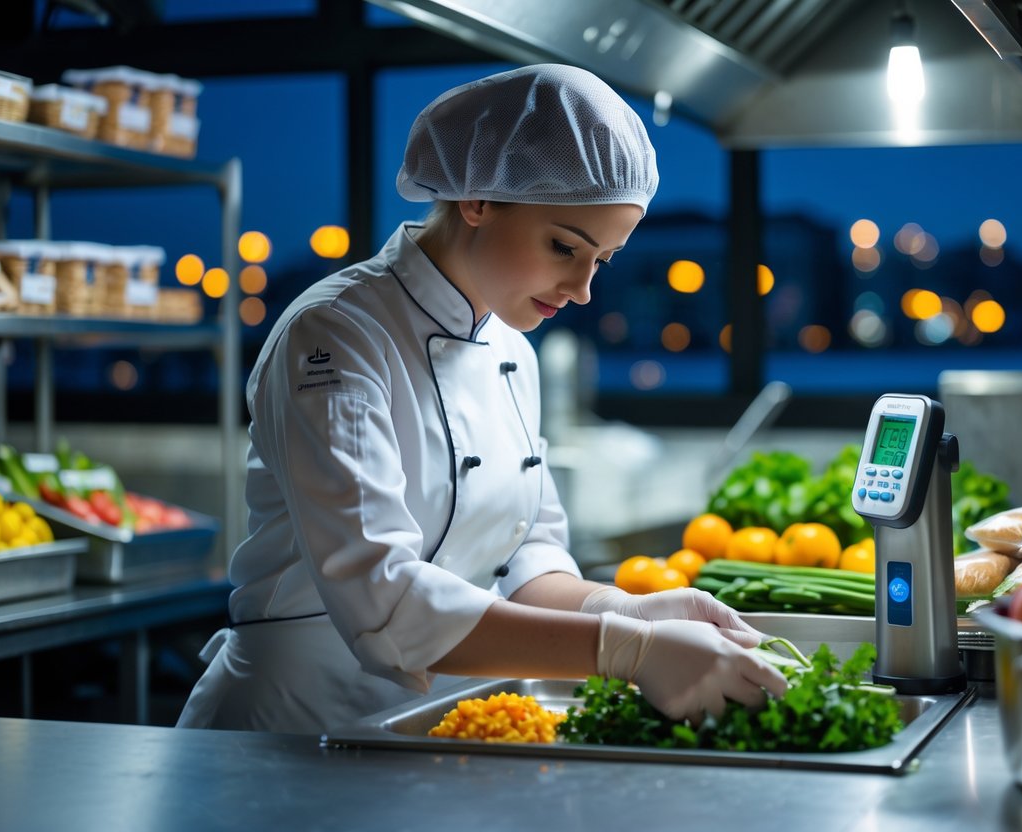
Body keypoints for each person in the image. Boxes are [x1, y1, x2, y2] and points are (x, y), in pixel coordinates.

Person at [177, 64, 786, 734]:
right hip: (290, 729)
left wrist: (624, 610)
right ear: (477, 200)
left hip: (433, 720)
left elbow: (526, 558)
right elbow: (383, 596)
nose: (583, 288)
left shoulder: (512, 351)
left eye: (602, 260)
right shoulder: (337, 336)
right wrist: (624, 651)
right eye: (564, 246)